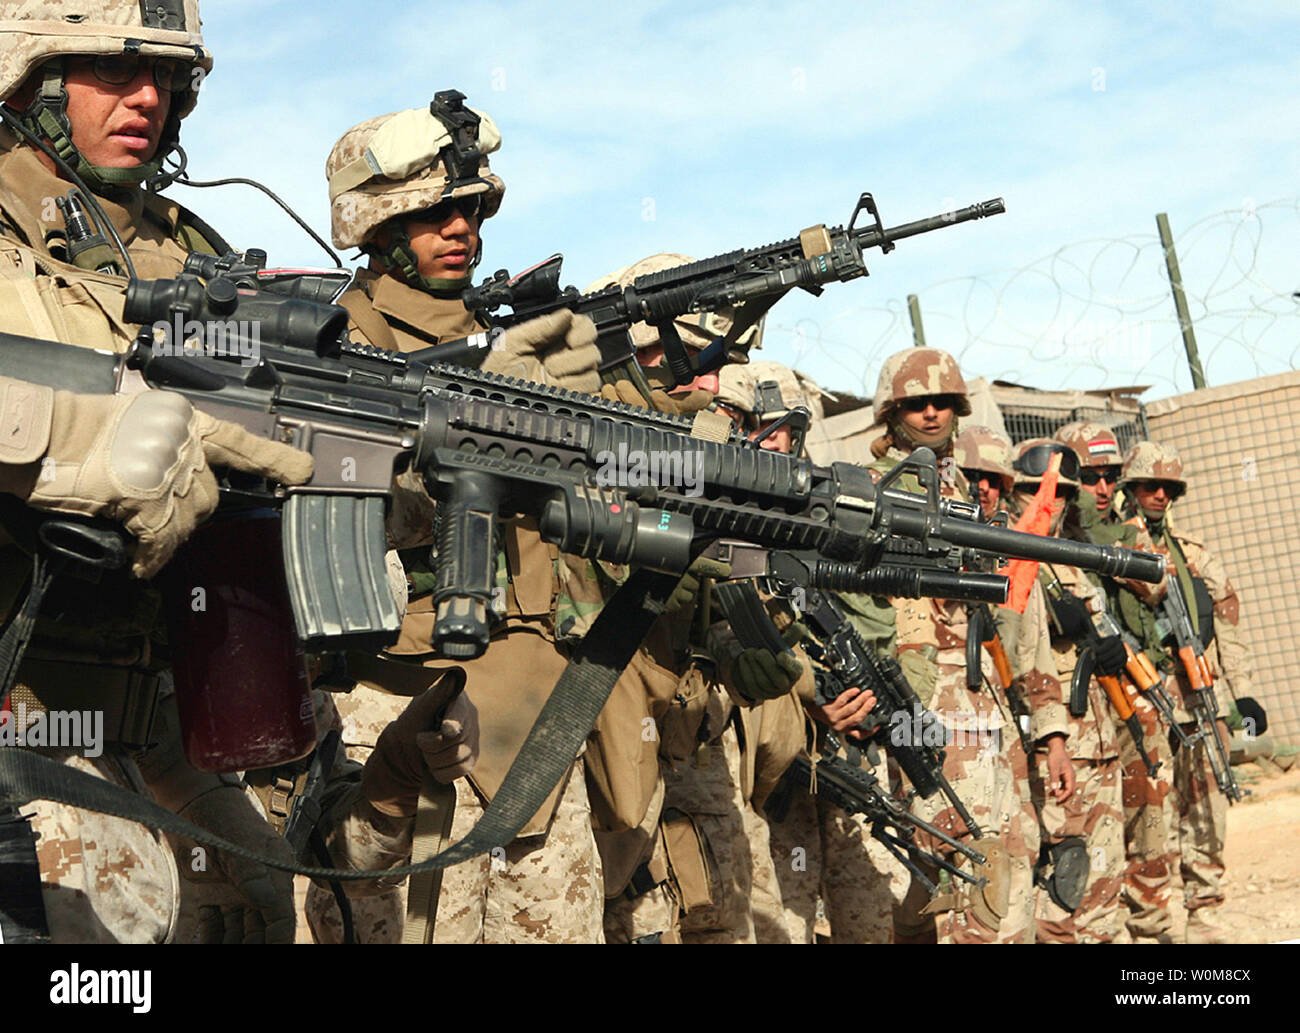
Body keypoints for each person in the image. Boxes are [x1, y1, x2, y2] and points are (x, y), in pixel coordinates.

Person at [0, 5, 469, 943]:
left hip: (182, 720)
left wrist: (391, 476)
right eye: (109, 71)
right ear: (31, 78)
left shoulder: (191, 249)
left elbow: (282, 446)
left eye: (170, 80)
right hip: (33, 710)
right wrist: (83, 442)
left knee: (266, 907)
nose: (149, 97)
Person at [309, 101, 608, 943]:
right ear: (377, 223)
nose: (461, 229)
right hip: (383, 700)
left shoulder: (508, 345)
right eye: (433, 212)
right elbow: (327, 497)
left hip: (531, 710)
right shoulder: (333, 341)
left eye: (471, 209)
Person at [861, 348, 1068, 944]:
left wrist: (1050, 730)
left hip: (988, 701)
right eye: (916, 404)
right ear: (891, 412)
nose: (931, 414)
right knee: (967, 874)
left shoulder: (966, 490)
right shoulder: (873, 490)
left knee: (1013, 863)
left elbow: (1019, 622)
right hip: (924, 699)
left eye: (942, 403)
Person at [1116, 441, 1258, 944]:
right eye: (1148, 486)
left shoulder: (1193, 552)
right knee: (1150, 817)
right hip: (1143, 695)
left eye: (1167, 488)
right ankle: (1153, 934)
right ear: (1128, 487)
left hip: (1200, 691)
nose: (1158, 495)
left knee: (1208, 806)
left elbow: (1228, 619)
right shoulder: (1112, 543)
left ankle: (1206, 924)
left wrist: (1242, 695)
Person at [1053, 420, 1174, 942]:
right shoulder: (1048, 533)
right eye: (1089, 478)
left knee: (1148, 824)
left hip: (1133, 698)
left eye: (1109, 478)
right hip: (1079, 715)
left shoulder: (1125, 531)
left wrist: (1110, 554)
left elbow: (1156, 579)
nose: (1101, 490)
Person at [1005, 438, 1127, 942]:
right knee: (1063, 891)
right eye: (1038, 491)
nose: (1049, 502)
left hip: (1097, 747)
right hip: (1055, 753)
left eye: (1060, 494)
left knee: (1103, 886)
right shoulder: (1011, 558)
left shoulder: (1072, 565)